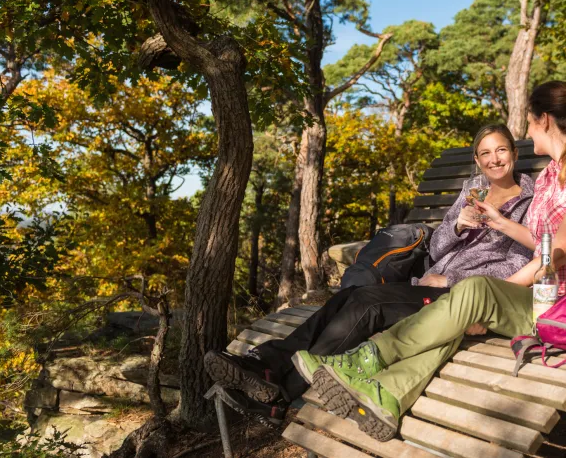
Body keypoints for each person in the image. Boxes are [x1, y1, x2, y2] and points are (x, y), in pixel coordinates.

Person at [296, 81, 566, 441]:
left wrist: (489, 300)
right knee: (459, 311)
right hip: (538, 300)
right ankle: (386, 394)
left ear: (544, 119)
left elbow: (557, 253)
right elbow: (539, 241)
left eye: (530, 122)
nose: (528, 131)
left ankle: (368, 357)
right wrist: (500, 222)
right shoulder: (551, 176)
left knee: (472, 294)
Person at [204, 124, 535, 422]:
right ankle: (269, 369)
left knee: (368, 304)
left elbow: (519, 264)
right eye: (486, 153)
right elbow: (435, 250)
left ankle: (274, 379)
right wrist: (457, 227)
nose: (494, 159)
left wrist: (451, 280)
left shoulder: (529, 201)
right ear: (477, 160)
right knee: (350, 295)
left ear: (514, 154)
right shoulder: (472, 190)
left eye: (501, 150)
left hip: (461, 298)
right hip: (427, 283)